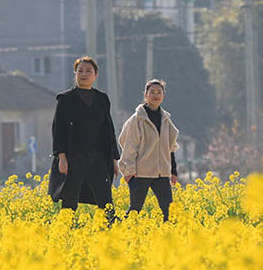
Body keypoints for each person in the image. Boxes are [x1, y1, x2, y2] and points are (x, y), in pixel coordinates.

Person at [48, 56, 120, 221]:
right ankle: (66, 234)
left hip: (99, 158)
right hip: (74, 158)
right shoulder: (66, 99)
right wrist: (61, 157)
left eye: (88, 71)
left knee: (106, 200)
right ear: (75, 74)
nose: (84, 74)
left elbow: (109, 130)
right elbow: (58, 130)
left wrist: (114, 159)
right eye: (80, 71)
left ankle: (111, 234)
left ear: (95, 75)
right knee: (70, 200)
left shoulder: (102, 99)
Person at [117, 79, 180, 221]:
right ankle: (120, 235)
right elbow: (129, 147)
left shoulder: (166, 119)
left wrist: (173, 170)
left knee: (168, 210)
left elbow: (170, 146)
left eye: (159, 92)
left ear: (163, 96)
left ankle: (169, 240)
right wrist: (129, 171)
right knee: (135, 209)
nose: (156, 95)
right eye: (152, 92)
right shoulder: (137, 119)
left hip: (161, 173)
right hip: (140, 173)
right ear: (145, 95)